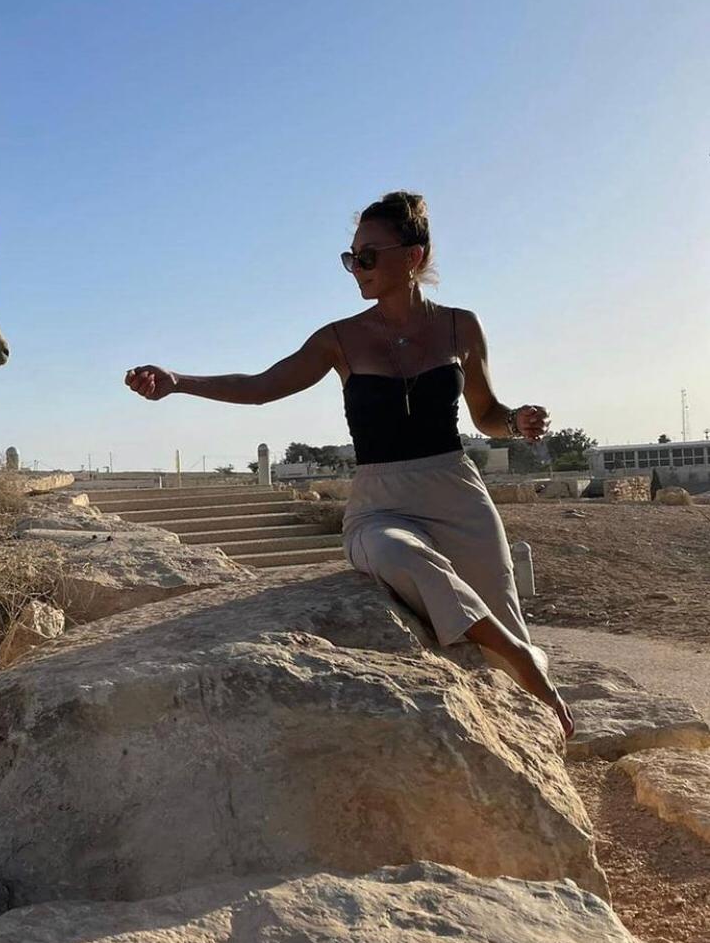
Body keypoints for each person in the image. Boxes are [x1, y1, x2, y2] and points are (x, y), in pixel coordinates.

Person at [124, 191, 575, 741]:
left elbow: (485, 415)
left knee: (501, 609)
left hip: (457, 491)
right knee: (397, 555)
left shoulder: (462, 327)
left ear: (412, 256)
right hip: (378, 502)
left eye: (367, 256)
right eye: (350, 258)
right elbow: (264, 386)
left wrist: (518, 421)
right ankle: (525, 660)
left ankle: (530, 702)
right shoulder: (340, 338)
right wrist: (179, 382)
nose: (355, 268)